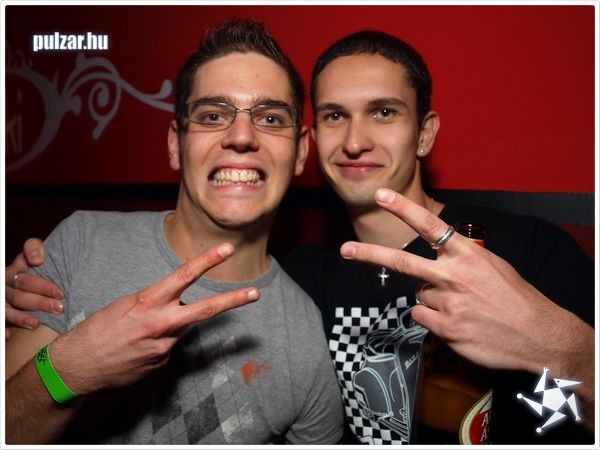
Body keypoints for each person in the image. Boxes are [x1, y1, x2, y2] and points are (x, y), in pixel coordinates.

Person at [6, 29, 595, 445]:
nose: (356, 141)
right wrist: (64, 352)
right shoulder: (308, 280)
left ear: (424, 133)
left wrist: (567, 350)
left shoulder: (526, 251)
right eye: (336, 115)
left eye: (384, 112)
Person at [3, 19, 343, 445]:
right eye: (213, 115)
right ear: (174, 144)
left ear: (301, 151)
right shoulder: (82, 243)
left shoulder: (307, 336)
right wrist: (73, 367)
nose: (241, 136)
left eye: (271, 118)